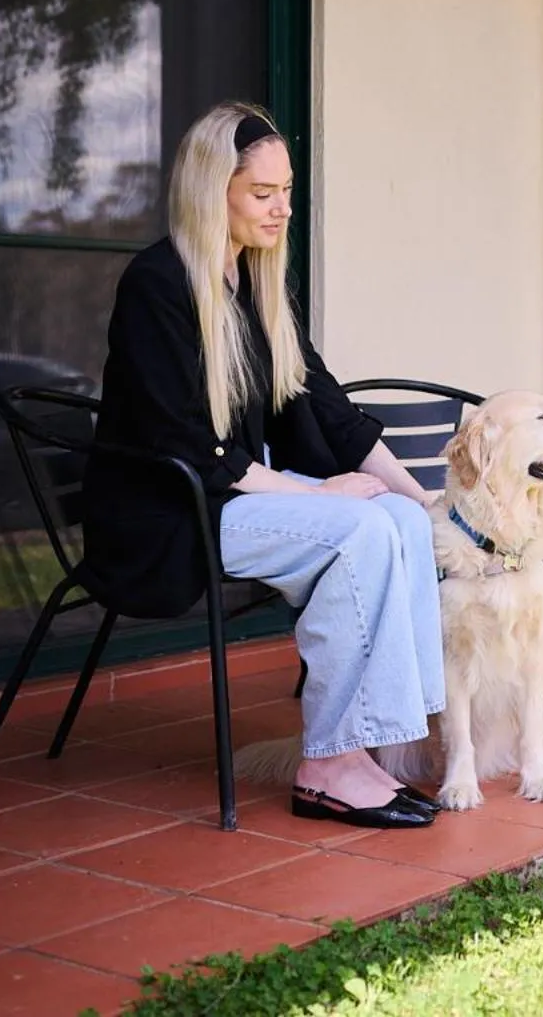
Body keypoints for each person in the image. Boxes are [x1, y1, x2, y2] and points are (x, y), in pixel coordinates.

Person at [82, 101, 444, 829]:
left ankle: (394, 745)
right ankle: (330, 764)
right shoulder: (158, 284)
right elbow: (186, 442)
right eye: (262, 193)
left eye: (286, 192)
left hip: (234, 495)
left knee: (398, 518)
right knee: (359, 531)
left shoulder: (256, 286)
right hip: (171, 512)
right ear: (212, 188)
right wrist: (322, 491)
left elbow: (330, 410)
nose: (282, 209)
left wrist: (430, 506)